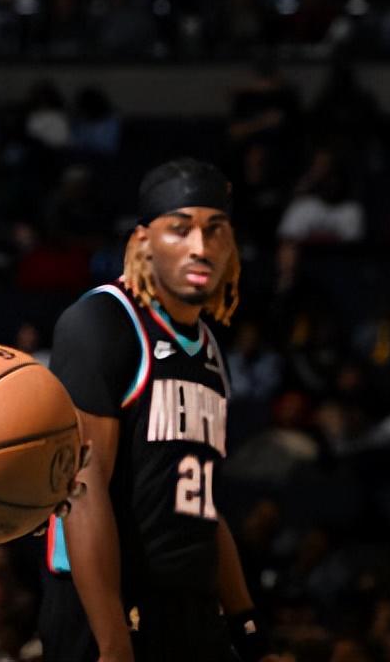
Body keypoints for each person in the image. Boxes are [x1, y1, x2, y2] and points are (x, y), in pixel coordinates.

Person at [38, 159, 272, 662]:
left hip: (189, 608)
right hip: (108, 608)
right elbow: (81, 489)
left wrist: (248, 626)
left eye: (215, 229)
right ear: (143, 240)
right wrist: (112, 643)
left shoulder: (210, 349)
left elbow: (204, 508)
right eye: (180, 228)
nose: (200, 246)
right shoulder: (102, 321)